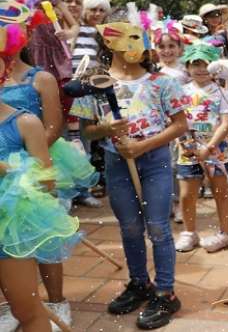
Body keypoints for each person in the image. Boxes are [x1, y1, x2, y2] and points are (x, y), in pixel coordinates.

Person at [70, 21, 188, 330]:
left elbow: (179, 125)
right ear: (109, 45)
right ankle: (140, 283)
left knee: (158, 226)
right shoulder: (96, 83)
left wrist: (143, 145)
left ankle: (165, 291)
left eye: (140, 38)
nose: (137, 45)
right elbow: (87, 130)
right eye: (127, 38)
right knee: (130, 227)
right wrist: (107, 130)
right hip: (116, 162)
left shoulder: (162, 82)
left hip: (156, 161)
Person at [0, 2, 82, 332]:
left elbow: (45, 182)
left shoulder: (25, 120)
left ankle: (57, 300)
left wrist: (9, 169)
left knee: (27, 307)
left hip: (10, 223)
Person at [174, 43, 228, 253]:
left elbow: (225, 123)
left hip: (216, 150)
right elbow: (176, 121)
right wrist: (187, 144)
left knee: (220, 192)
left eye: (205, 64)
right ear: (188, 67)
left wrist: (209, 147)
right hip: (187, 149)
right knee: (186, 194)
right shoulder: (180, 91)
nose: (200, 69)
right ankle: (190, 232)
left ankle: (225, 233)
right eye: (195, 64)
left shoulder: (221, 91)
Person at [16, 0, 79, 116]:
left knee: (60, 96)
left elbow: (75, 25)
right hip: (28, 56)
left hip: (54, 56)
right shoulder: (15, 4)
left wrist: (68, 34)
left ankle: (69, 131)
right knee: (32, 94)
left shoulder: (54, 2)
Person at [72, 0, 110, 72]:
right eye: (93, 9)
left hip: (97, 77)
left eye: (102, 10)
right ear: (83, 10)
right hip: (70, 75)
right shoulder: (75, 29)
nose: (97, 14)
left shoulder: (107, 33)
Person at [153, 19, 190, 85]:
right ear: (156, 49)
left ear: (179, 48)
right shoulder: (152, 69)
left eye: (171, 46)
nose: (167, 51)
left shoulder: (186, 69)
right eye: (161, 47)